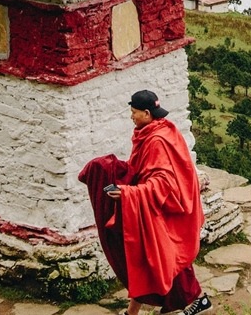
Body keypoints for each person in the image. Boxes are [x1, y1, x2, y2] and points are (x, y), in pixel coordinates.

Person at [79, 90, 212, 315]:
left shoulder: (158, 140)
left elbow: (163, 183)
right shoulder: (157, 131)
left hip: (165, 209)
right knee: (145, 259)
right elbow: (143, 170)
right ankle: (132, 312)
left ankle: (200, 301)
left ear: (147, 113)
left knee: (168, 260)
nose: (131, 116)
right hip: (151, 206)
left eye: (134, 112)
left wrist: (129, 193)